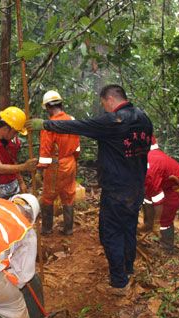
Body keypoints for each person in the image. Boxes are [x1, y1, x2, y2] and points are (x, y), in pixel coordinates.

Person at [26, 84, 153, 295]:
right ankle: (127, 270)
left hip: (116, 189)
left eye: (104, 104)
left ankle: (119, 283)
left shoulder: (114, 120)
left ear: (109, 99)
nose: (104, 108)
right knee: (128, 228)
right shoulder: (144, 118)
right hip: (136, 186)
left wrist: (46, 125)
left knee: (110, 233)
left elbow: (79, 126)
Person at [38, 90, 80, 235]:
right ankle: (68, 229)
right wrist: (74, 160)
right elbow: (77, 146)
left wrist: (40, 170)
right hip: (70, 162)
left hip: (56, 165)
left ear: (49, 107)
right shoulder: (72, 120)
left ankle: (46, 229)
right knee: (68, 194)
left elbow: (45, 152)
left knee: (48, 197)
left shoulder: (49, 125)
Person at [139, 137, 179, 252]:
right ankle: (148, 225)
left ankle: (167, 247)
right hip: (164, 183)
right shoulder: (143, 157)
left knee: (165, 218)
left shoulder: (151, 167)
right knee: (147, 198)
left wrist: (156, 222)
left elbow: (158, 199)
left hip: (177, 187)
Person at [0, 106, 38, 199]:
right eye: (15, 132)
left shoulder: (13, 141)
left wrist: (21, 182)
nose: (15, 135)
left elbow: (13, 162)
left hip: (13, 186)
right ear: (6, 129)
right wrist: (24, 167)